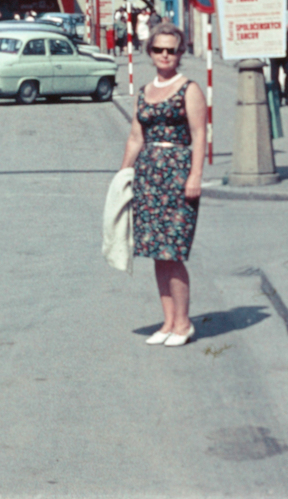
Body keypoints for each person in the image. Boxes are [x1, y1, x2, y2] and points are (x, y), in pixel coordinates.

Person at [118, 21, 207, 346]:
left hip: (178, 173)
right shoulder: (144, 92)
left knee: (174, 251)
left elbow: (199, 135)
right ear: (150, 52)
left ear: (181, 53)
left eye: (172, 50)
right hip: (148, 177)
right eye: (159, 49)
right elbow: (135, 137)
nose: (165, 55)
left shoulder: (190, 89)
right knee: (157, 252)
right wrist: (123, 176)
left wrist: (195, 175)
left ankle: (183, 324)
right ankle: (168, 322)